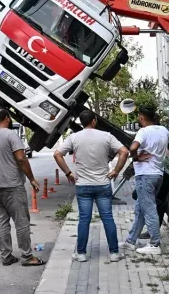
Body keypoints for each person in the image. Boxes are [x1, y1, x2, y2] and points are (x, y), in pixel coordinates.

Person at [53, 110, 130, 263]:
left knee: (84, 219)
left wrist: (68, 173)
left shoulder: (74, 138)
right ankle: (114, 253)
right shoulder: (106, 136)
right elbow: (124, 151)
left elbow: (57, 154)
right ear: (94, 121)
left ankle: (81, 253)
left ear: (81, 122)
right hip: (102, 184)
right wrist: (116, 171)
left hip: (83, 185)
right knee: (107, 218)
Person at [0, 109, 45, 267]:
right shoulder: (11, 135)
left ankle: (6, 256)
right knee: (21, 221)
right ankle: (27, 257)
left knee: (2, 220)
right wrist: (32, 179)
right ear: (7, 118)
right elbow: (21, 159)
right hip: (12, 185)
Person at [119, 106, 169, 255]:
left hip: (145, 175)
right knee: (140, 209)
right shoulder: (163, 130)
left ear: (142, 117)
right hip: (158, 174)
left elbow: (133, 147)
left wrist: (136, 157)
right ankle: (131, 241)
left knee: (149, 210)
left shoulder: (143, 131)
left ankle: (154, 244)